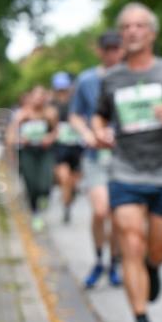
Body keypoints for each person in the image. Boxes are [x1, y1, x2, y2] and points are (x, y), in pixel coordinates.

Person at [93, 3, 162, 322]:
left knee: (155, 249)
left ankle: (154, 267)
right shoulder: (111, 78)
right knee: (130, 241)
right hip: (125, 170)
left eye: (139, 26)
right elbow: (99, 117)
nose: (132, 31)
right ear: (121, 35)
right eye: (126, 27)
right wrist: (100, 133)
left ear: (151, 33)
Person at [69, 31, 124, 289]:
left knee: (116, 214)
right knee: (101, 210)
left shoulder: (129, 76)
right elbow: (75, 115)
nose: (113, 53)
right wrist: (88, 134)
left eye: (117, 48)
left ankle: (114, 262)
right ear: (100, 51)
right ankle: (99, 259)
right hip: (95, 155)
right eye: (108, 49)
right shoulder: (87, 80)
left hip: (124, 155)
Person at [7, 86, 57, 232]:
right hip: (27, 153)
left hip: (44, 152)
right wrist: (20, 139)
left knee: (45, 183)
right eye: (36, 96)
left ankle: (44, 198)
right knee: (31, 185)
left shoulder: (49, 114)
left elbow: (56, 130)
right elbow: (10, 136)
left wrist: (50, 138)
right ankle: (35, 213)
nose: (39, 99)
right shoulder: (21, 115)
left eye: (42, 96)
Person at [50, 71, 82, 224]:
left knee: (73, 182)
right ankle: (66, 207)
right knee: (64, 178)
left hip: (76, 147)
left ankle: (70, 197)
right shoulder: (51, 106)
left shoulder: (76, 103)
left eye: (64, 88)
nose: (62, 91)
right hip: (60, 148)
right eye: (59, 88)